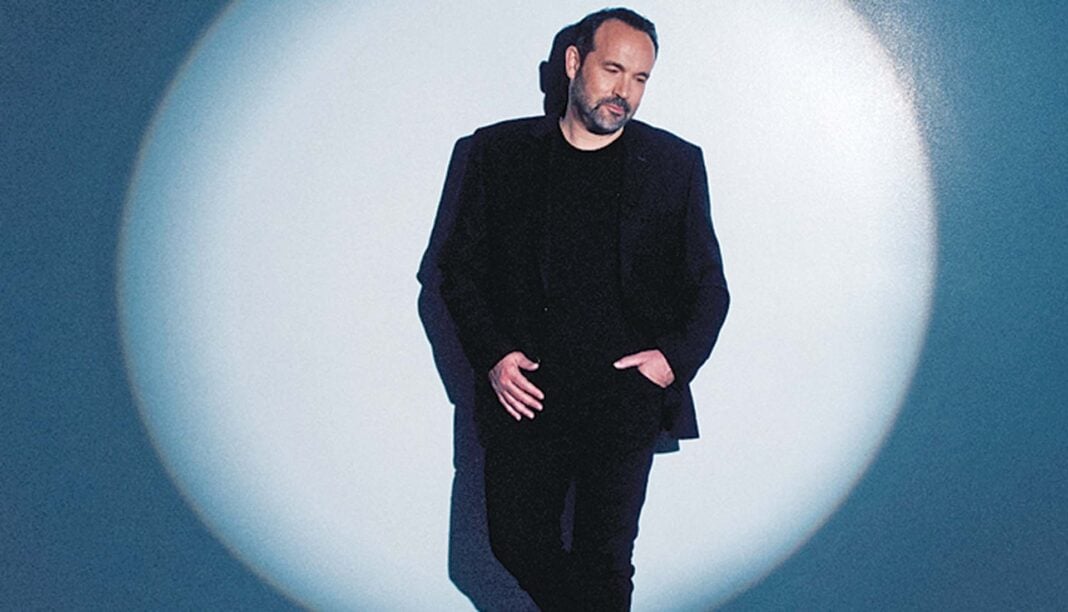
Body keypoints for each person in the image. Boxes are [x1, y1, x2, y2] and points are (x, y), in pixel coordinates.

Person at [436, 8, 729, 610]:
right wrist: (494, 357)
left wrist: (671, 362)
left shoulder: (674, 164)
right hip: (528, 396)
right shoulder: (498, 153)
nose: (625, 91)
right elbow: (455, 271)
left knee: (606, 561)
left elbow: (710, 286)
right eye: (613, 69)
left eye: (640, 78)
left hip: (624, 398)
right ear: (574, 62)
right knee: (514, 541)